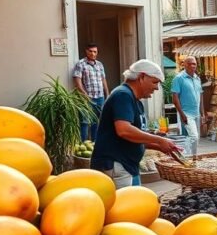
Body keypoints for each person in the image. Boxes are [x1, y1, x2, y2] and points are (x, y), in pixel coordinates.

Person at [90, 59, 180, 188]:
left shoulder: (135, 100)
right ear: (142, 77)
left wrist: (160, 147)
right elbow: (124, 130)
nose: (156, 87)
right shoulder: (123, 95)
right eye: (155, 82)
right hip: (116, 164)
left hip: (126, 165)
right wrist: (159, 140)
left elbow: (135, 137)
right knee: (123, 206)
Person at [72, 43, 108, 141]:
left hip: (100, 97)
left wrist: (107, 93)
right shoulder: (81, 64)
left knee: (96, 121)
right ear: (86, 51)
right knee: (84, 121)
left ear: (97, 52)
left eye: (95, 52)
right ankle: (83, 144)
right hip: (86, 97)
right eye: (91, 51)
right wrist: (84, 94)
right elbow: (77, 80)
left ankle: (94, 143)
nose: (93, 54)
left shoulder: (100, 65)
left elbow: (103, 79)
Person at [170, 56, 203, 139]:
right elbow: (175, 98)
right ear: (184, 65)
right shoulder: (178, 78)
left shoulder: (197, 78)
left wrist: (202, 113)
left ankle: (191, 152)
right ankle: (190, 152)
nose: (192, 66)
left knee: (192, 138)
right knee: (193, 137)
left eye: (194, 64)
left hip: (196, 114)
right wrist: (182, 114)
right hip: (186, 114)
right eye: (189, 64)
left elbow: (200, 95)